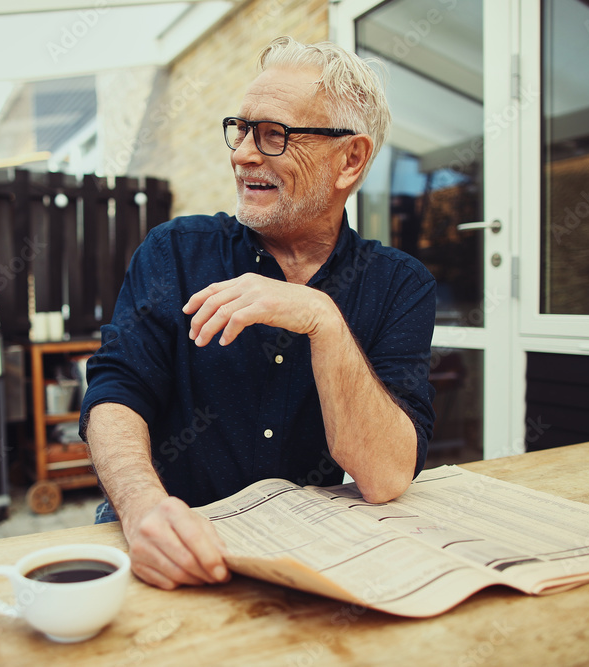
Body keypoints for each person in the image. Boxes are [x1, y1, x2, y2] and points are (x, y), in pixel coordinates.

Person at [79, 36, 436, 590]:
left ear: (351, 159)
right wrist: (143, 505)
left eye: (274, 135)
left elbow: (386, 475)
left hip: (298, 555)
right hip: (165, 532)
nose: (242, 153)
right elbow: (116, 390)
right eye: (241, 129)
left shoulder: (399, 285)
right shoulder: (174, 250)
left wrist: (324, 320)